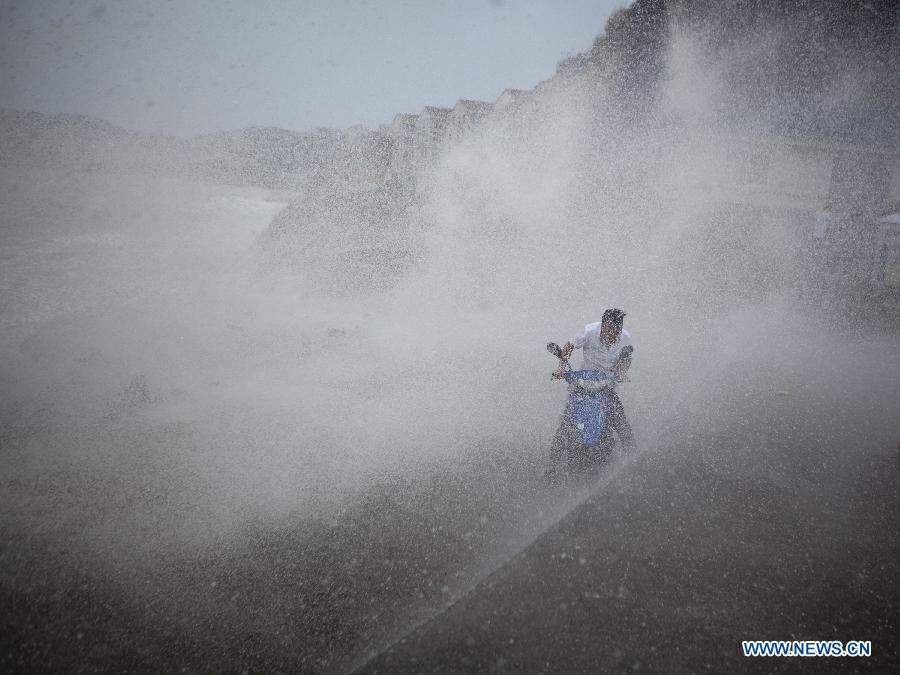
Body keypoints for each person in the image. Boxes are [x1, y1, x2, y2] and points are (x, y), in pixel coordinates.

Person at [548, 308, 635, 475]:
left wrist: (621, 374)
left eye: (617, 330)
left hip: (606, 385)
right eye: (610, 329)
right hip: (583, 384)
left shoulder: (625, 338)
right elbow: (569, 346)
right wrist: (560, 369)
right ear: (603, 326)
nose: (613, 334)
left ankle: (633, 464)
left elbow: (626, 359)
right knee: (565, 426)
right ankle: (551, 469)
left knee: (622, 425)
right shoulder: (589, 332)